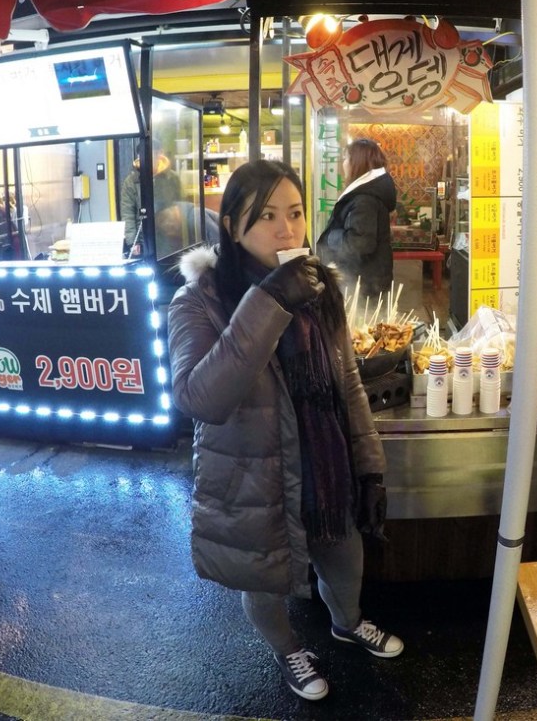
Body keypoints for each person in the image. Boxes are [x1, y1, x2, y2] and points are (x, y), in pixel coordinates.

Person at [167, 159, 401, 702]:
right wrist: (269, 300)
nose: (286, 230)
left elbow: (346, 382)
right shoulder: (197, 301)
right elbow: (201, 398)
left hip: (326, 468)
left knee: (345, 562)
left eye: (295, 213)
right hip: (254, 479)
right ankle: (287, 648)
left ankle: (347, 622)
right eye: (266, 216)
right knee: (265, 582)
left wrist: (369, 468)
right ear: (231, 226)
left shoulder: (320, 286)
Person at [316, 138, 396, 298]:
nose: (343, 164)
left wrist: (331, 236)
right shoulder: (367, 194)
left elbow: (360, 243)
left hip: (364, 285)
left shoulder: (365, 199)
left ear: (357, 163)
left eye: (346, 158)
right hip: (366, 281)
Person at [120, 143, 181, 254]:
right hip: (144, 239)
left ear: (159, 154)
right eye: (140, 156)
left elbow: (180, 206)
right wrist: (133, 242)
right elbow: (127, 214)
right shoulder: (131, 181)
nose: (144, 159)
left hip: (169, 237)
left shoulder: (172, 178)